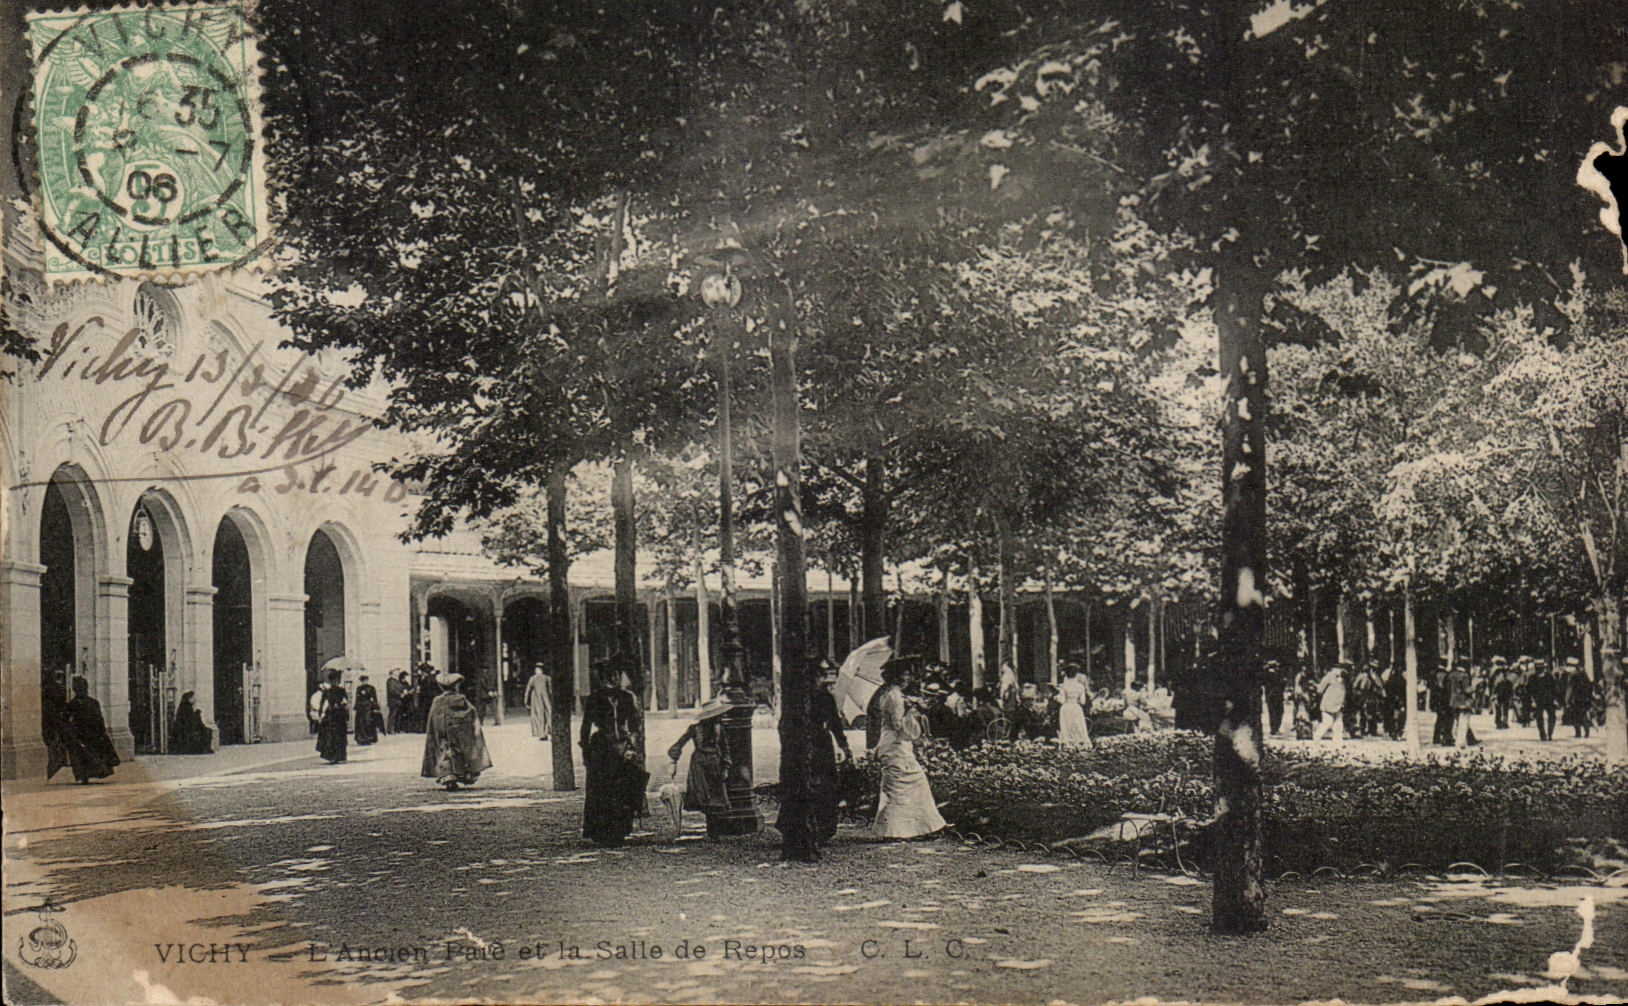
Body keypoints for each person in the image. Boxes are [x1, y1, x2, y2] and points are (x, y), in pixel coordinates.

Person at [871, 660, 946, 839]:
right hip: (897, 744)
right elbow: (899, 726)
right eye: (905, 674)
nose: (908, 678)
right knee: (909, 782)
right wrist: (910, 712)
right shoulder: (895, 696)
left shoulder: (886, 694)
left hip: (889, 742)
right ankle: (902, 830)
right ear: (897, 676)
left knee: (898, 785)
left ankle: (901, 829)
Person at [579, 659, 647, 847]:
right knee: (601, 790)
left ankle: (619, 831)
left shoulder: (626, 697)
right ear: (602, 679)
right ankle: (601, 832)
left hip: (622, 747)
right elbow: (585, 726)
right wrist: (585, 750)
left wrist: (631, 745)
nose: (613, 679)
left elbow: (634, 724)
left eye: (616, 675)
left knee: (621, 789)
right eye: (608, 676)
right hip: (601, 748)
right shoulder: (594, 698)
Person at [667, 698, 736, 839]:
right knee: (704, 796)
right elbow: (679, 744)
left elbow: (725, 749)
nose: (719, 718)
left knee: (718, 797)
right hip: (699, 765)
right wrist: (673, 761)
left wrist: (726, 767)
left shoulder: (719, 729)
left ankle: (715, 831)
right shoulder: (695, 729)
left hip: (716, 764)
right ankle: (712, 831)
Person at [421, 671, 493, 789]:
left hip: (442, 731)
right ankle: (462, 774)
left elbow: (433, 718)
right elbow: (471, 713)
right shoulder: (461, 699)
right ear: (456, 686)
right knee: (459, 752)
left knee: (444, 752)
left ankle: (447, 776)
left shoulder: (437, 701)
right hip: (457, 732)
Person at [810, 662, 854, 844]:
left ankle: (821, 827)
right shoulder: (823, 696)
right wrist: (844, 746)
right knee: (823, 784)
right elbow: (835, 724)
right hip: (818, 742)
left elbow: (835, 724)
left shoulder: (820, 696)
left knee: (822, 784)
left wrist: (843, 745)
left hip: (817, 743)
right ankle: (821, 827)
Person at [62, 676, 120, 783]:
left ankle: (83, 775)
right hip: (94, 733)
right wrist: (102, 732)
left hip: (81, 733)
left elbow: (65, 719)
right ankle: (96, 771)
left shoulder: (72, 704)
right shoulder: (93, 702)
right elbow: (100, 719)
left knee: (82, 755)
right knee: (94, 753)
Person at [314, 668, 349, 764]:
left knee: (331, 735)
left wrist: (320, 714)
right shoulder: (341, 690)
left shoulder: (328, 691)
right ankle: (339, 756)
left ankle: (333, 756)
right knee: (338, 735)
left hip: (331, 714)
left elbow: (322, 704)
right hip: (338, 714)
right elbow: (345, 702)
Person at [1056, 663, 1092, 748]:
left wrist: (1056, 697)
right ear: (1076, 674)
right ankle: (1079, 742)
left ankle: (1068, 743)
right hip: (1076, 707)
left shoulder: (1063, 686)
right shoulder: (1080, 686)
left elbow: (1062, 700)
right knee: (1077, 725)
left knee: (1066, 726)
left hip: (1066, 707)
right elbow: (1083, 702)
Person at [1311, 663, 1346, 742]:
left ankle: (1337, 740)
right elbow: (1320, 689)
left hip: (1339, 704)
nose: (1340, 671)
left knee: (1339, 723)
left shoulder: (1342, 678)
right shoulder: (1328, 676)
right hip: (1329, 704)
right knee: (1327, 722)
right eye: (1338, 669)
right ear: (1333, 669)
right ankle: (1317, 736)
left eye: (1341, 669)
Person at [1562, 657, 1595, 739]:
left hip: (1576, 698)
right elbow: (1590, 685)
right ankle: (1586, 731)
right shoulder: (1584, 674)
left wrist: (1567, 700)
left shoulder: (1572, 676)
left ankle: (1578, 732)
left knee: (1576, 715)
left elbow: (1570, 688)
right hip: (1584, 698)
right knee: (1583, 714)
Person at [1446, 660, 1473, 748]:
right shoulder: (1464, 676)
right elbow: (1467, 689)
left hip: (1453, 700)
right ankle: (1461, 741)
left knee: (1456, 720)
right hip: (1463, 700)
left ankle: (1455, 737)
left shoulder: (1451, 675)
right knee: (1463, 721)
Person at [1530, 659, 1559, 741]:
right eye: (1537, 668)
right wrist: (1532, 700)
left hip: (1549, 699)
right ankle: (1542, 734)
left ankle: (1550, 733)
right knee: (1539, 718)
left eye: (1540, 668)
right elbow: (1529, 690)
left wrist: (1555, 699)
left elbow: (1554, 688)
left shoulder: (1549, 677)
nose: (1539, 670)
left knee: (1552, 717)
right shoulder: (1532, 678)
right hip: (1538, 700)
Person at [524, 664, 552, 741]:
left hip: (536, 699)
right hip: (546, 699)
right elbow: (550, 690)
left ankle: (541, 734)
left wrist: (526, 700)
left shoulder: (533, 678)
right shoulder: (547, 678)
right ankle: (549, 731)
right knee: (548, 714)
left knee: (539, 716)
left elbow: (528, 690)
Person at [1261, 658, 1286, 736]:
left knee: (1277, 712)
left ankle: (1275, 729)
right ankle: (1274, 729)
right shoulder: (1270, 674)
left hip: (1275, 696)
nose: (1278, 668)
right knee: (1275, 713)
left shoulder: (1273, 674)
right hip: (1273, 696)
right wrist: (1283, 681)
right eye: (1277, 666)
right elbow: (1278, 684)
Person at [1490, 656, 1514, 730]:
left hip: (1502, 690)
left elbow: (1492, 682)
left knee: (1501, 707)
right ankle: (1501, 722)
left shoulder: (1496, 671)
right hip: (1502, 690)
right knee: (1501, 708)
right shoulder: (1497, 671)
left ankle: (1501, 722)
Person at [386, 668, 407, 734]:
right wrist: (400, 694)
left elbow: (401, 687)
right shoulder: (390, 681)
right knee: (393, 715)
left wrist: (404, 690)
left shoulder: (396, 681)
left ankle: (396, 729)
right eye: (396, 671)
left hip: (398, 701)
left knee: (397, 715)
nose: (398, 672)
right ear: (393, 672)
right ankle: (391, 729)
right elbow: (392, 690)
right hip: (394, 701)